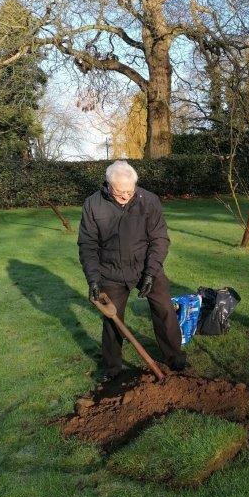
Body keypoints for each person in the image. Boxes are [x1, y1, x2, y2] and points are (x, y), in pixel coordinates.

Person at [78, 160, 186, 380]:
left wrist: (151, 273)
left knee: (165, 310)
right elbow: (88, 244)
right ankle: (112, 368)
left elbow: (159, 239)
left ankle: (175, 357)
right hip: (111, 271)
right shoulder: (93, 204)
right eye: (120, 193)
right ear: (108, 185)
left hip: (145, 266)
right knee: (112, 320)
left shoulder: (149, 200)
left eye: (130, 191)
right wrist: (93, 280)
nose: (126, 197)